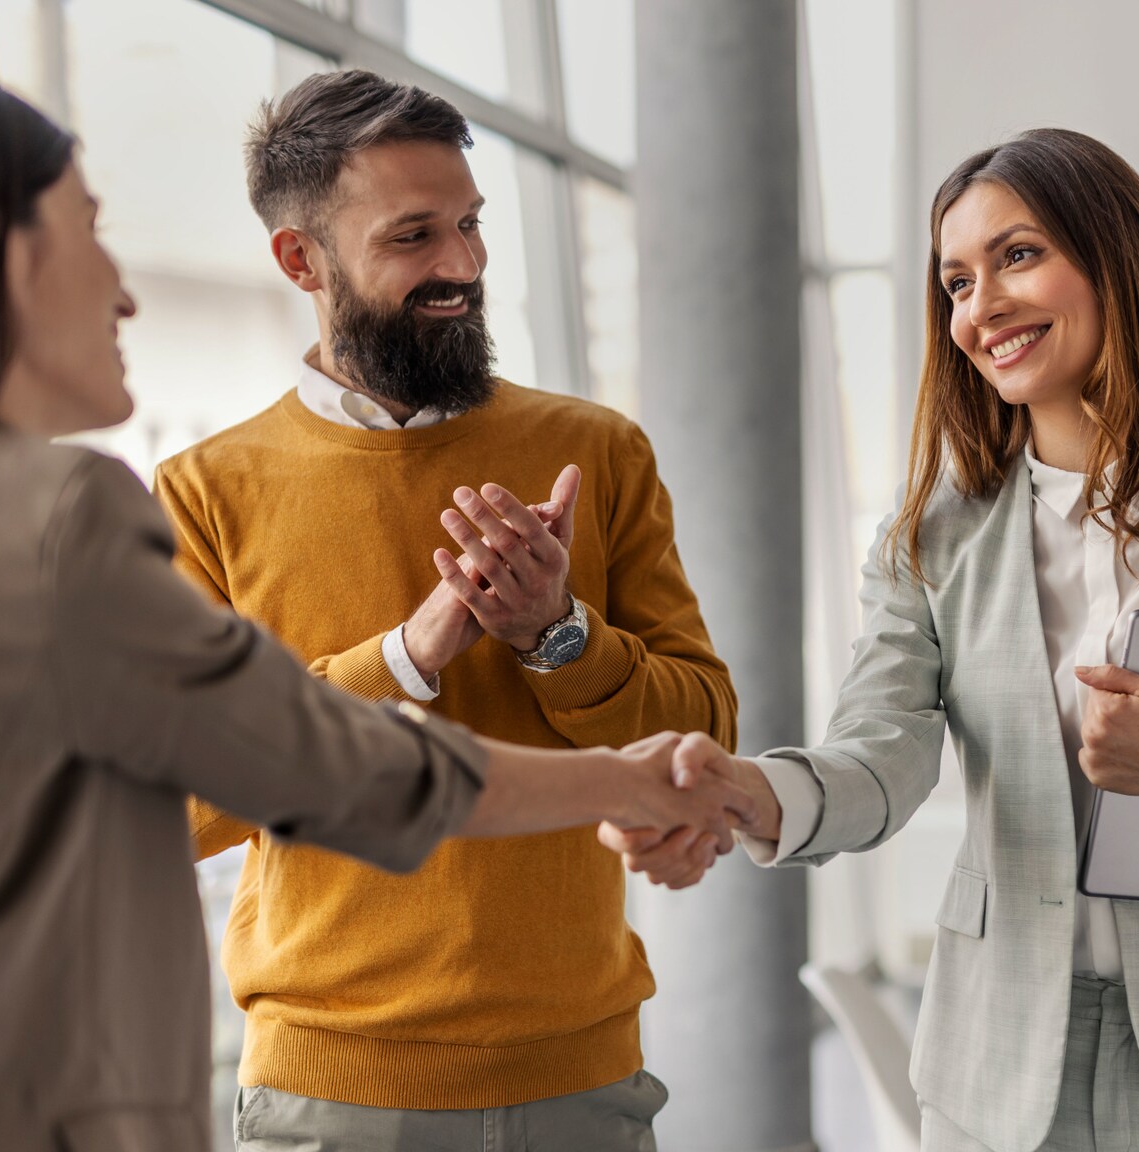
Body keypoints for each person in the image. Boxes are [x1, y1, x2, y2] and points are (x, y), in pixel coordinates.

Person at [0, 73, 751, 1152]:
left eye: (469, 225)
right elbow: (306, 764)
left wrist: (559, 641)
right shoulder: (75, 514)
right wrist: (605, 765)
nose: (126, 292)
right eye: (87, 229)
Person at [614, 128, 1139, 1151]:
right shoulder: (929, 532)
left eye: (1017, 255)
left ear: (1115, 258)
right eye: (956, 282)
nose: (981, 307)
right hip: (999, 1072)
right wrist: (752, 793)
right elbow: (878, 759)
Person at [150, 69, 738, 1151]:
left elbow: (702, 737)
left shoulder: (596, 450)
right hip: (330, 1087)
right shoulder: (204, 492)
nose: (461, 265)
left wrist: (557, 638)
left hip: (581, 1069)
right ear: (300, 260)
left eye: (469, 225)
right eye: (413, 235)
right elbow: (170, 807)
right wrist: (406, 658)